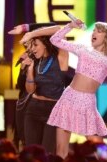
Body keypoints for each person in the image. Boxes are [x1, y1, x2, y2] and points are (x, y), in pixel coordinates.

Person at [20, 20, 107, 159]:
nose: (93, 33)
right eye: (93, 30)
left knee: (98, 146)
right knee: (60, 151)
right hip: (68, 98)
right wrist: (70, 26)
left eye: (98, 31)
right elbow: (55, 40)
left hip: (87, 102)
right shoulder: (83, 49)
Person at [8, 23, 68, 154]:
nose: (32, 49)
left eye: (35, 45)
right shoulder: (36, 62)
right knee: (31, 154)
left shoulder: (60, 58)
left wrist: (30, 32)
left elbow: (60, 30)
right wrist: (29, 71)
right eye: (31, 45)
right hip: (34, 109)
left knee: (46, 154)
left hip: (53, 110)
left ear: (45, 44)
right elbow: (30, 90)